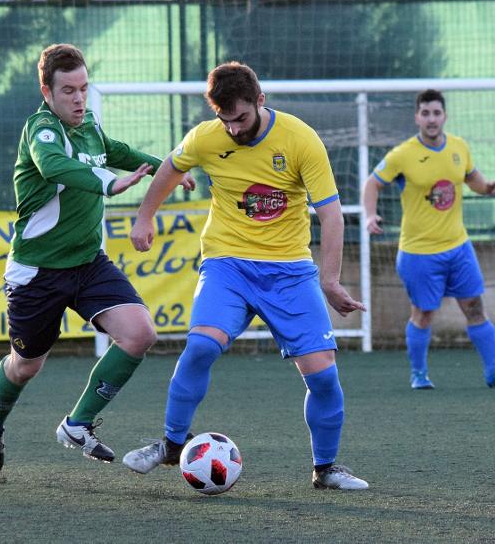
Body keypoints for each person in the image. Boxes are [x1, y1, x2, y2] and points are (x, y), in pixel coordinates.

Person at [122, 62, 369, 490]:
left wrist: (330, 280)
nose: (234, 129)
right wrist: (145, 217)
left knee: (324, 376)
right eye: (225, 120)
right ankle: (170, 444)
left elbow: (331, 216)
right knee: (200, 346)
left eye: (241, 118)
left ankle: (325, 468)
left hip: (290, 272)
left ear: (260, 101)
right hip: (228, 264)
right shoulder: (206, 137)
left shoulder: (300, 139)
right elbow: (170, 167)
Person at [0, 43, 194, 473]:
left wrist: (166, 167)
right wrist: (110, 185)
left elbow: (115, 149)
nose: (79, 99)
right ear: (47, 92)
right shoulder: (41, 132)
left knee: (139, 333)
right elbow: (56, 166)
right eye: (69, 91)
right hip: (37, 273)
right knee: (25, 367)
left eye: (84, 88)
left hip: (88, 263)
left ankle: (78, 423)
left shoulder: (89, 122)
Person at [362, 89, 495, 390]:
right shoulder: (402, 155)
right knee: (422, 314)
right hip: (419, 253)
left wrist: (487, 187)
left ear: (444, 116)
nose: (432, 119)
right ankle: (419, 374)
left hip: (459, 247)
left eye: (437, 113)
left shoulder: (459, 147)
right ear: (417, 117)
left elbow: (472, 177)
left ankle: (493, 370)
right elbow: (372, 184)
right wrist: (370, 216)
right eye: (426, 113)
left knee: (475, 307)